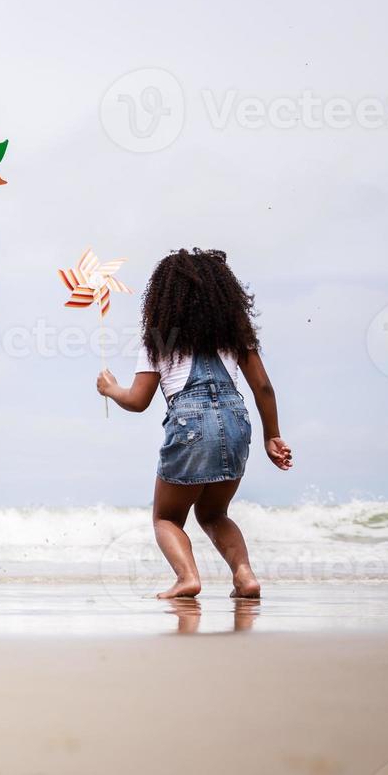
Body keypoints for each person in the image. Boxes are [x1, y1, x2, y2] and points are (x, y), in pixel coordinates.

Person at [97, 248, 293, 599]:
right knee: (215, 512)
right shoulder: (235, 334)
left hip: (189, 423)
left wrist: (112, 390)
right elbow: (262, 386)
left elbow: (138, 401)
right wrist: (272, 436)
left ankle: (187, 577)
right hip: (236, 420)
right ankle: (244, 575)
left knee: (166, 518)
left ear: (163, 297)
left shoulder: (159, 337)